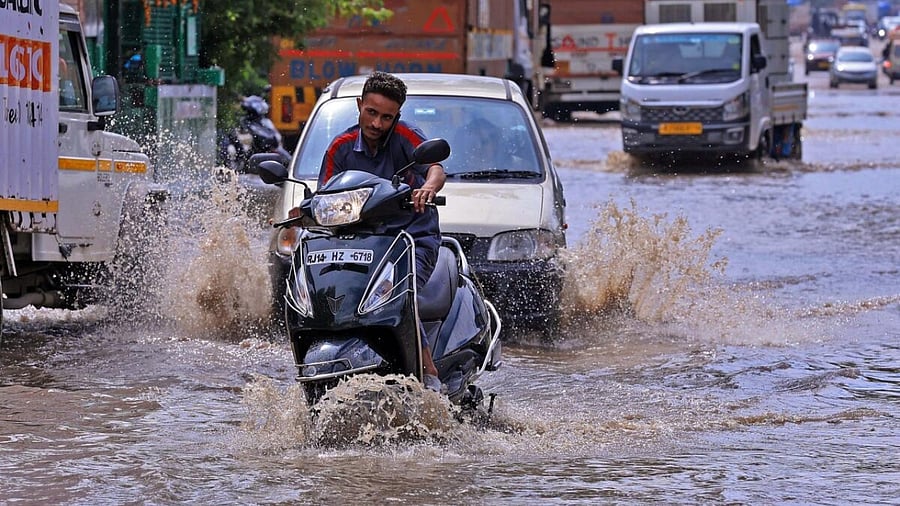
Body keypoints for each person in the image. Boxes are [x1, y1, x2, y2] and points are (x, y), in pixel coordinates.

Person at [318, 71, 447, 392]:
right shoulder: (341, 148)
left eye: (386, 117)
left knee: (399, 295)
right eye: (371, 113)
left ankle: (429, 373)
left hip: (411, 240)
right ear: (359, 105)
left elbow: (435, 169)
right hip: (361, 243)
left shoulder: (406, 137)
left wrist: (428, 188)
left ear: (396, 117)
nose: (377, 123)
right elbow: (324, 196)